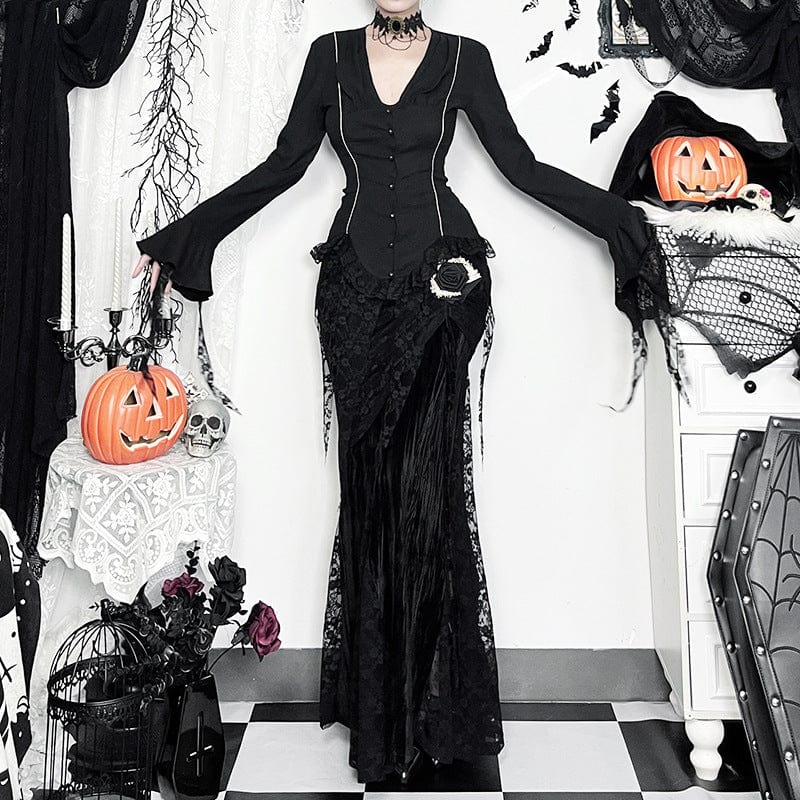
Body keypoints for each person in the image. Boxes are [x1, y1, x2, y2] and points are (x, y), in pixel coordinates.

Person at [133, 0, 651, 784]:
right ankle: (381, 715)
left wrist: (620, 222)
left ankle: (438, 710)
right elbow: (284, 165)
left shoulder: (464, 57)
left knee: (427, 488)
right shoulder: (330, 56)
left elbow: (520, 166)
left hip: (442, 286)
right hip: (351, 295)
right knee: (370, 490)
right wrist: (187, 237)